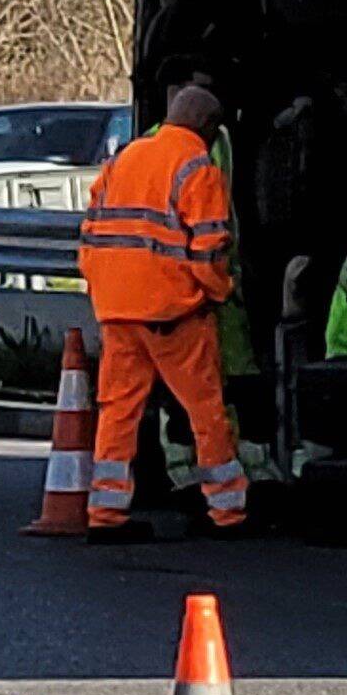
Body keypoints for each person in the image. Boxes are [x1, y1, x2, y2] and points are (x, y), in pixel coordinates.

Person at [81, 72, 250, 536]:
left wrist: (105, 287)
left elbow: (90, 232)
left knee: (117, 410)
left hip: (117, 309)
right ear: (209, 128)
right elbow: (210, 248)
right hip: (173, 314)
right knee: (205, 410)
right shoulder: (197, 167)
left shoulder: (124, 159)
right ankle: (227, 512)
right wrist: (219, 293)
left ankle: (106, 514)